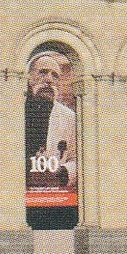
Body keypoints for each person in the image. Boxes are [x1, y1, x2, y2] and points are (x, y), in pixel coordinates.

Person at [23, 49, 78, 189]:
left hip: (53, 196)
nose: (49, 80)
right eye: (43, 72)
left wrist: (63, 172)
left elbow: (77, 159)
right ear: (29, 77)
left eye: (55, 76)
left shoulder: (69, 117)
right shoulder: (14, 110)